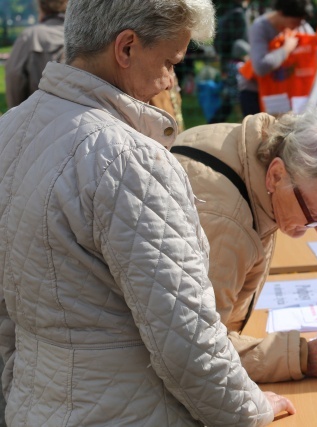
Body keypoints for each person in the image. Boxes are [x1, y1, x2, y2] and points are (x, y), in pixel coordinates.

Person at [0, 0, 295, 425]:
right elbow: (186, 338)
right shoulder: (128, 158)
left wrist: (20, 389)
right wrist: (248, 408)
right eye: (171, 61)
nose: (171, 79)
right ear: (126, 48)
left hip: (35, 405)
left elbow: (8, 312)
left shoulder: (11, 129)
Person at [171, 106, 317, 382]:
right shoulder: (226, 222)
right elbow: (193, 352)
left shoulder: (246, 153)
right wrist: (303, 357)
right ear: (277, 176)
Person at [239, 0, 314, 116]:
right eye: (295, 22)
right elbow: (260, 67)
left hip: (287, 90)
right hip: (255, 90)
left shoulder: (302, 26)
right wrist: (286, 49)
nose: (298, 26)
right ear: (280, 13)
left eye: (301, 22)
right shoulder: (260, 28)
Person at [5, 0, 67, 108]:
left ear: (40, 7)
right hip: (77, 118)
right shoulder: (83, 37)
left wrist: (18, 114)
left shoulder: (31, 37)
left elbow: (14, 77)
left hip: (38, 117)